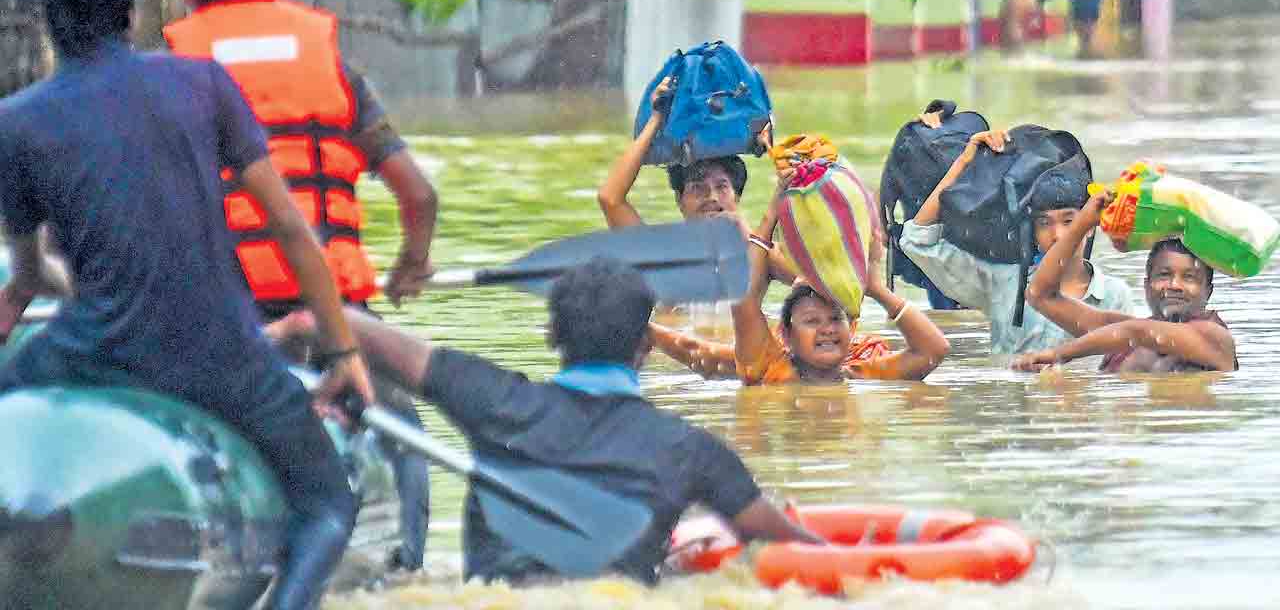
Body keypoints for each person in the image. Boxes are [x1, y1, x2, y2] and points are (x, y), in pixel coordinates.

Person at [0, 0, 373, 610]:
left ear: (46, 15)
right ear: (132, 11)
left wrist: (55, 295)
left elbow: (28, 274)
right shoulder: (201, 83)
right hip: (220, 353)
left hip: (96, 349)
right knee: (327, 504)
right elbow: (292, 227)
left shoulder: (15, 123)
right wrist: (343, 347)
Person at [166, 0, 437, 570]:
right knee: (403, 432)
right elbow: (419, 194)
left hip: (219, 321)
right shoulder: (336, 70)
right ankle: (405, 568)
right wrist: (411, 264)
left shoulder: (169, 72)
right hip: (333, 319)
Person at [278, 257, 824, 585]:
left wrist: (289, 331)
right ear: (644, 348)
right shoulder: (691, 451)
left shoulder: (491, 399)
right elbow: (790, 550)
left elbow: (331, 322)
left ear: (551, 337)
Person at [651, 174, 949, 383]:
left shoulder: (863, 372)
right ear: (787, 336)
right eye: (811, 321)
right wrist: (771, 212)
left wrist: (875, 289)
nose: (827, 330)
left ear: (851, 327)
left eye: (835, 319)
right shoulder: (768, 370)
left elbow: (934, 350)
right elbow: (744, 301)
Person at [897, 127, 1134, 356]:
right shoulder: (1004, 283)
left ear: (1090, 226)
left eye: (1069, 221)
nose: (1058, 235)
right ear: (1032, 233)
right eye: (1044, 223)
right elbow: (916, 241)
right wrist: (965, 163)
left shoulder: (1115, 295)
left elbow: (1126, 369)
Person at [598, 77, 795, 285]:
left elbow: (815, 287)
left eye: (722, 186)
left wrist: (748, 236)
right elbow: (610, 199)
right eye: (697, 188)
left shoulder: (760, 253)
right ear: (679, 201)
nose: (711, 197)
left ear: (736, 196)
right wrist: (656, 118)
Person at [1011, 192, 1237, 373]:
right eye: (1163, 275)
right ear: (1147, 285)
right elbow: (1040, 295)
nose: (1174, 285)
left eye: (1189, 277)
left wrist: (1059, 354)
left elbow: (1138, 332)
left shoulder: (1215, 338)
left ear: (1208, 291)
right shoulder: (1117, 334)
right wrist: (1083, 223)